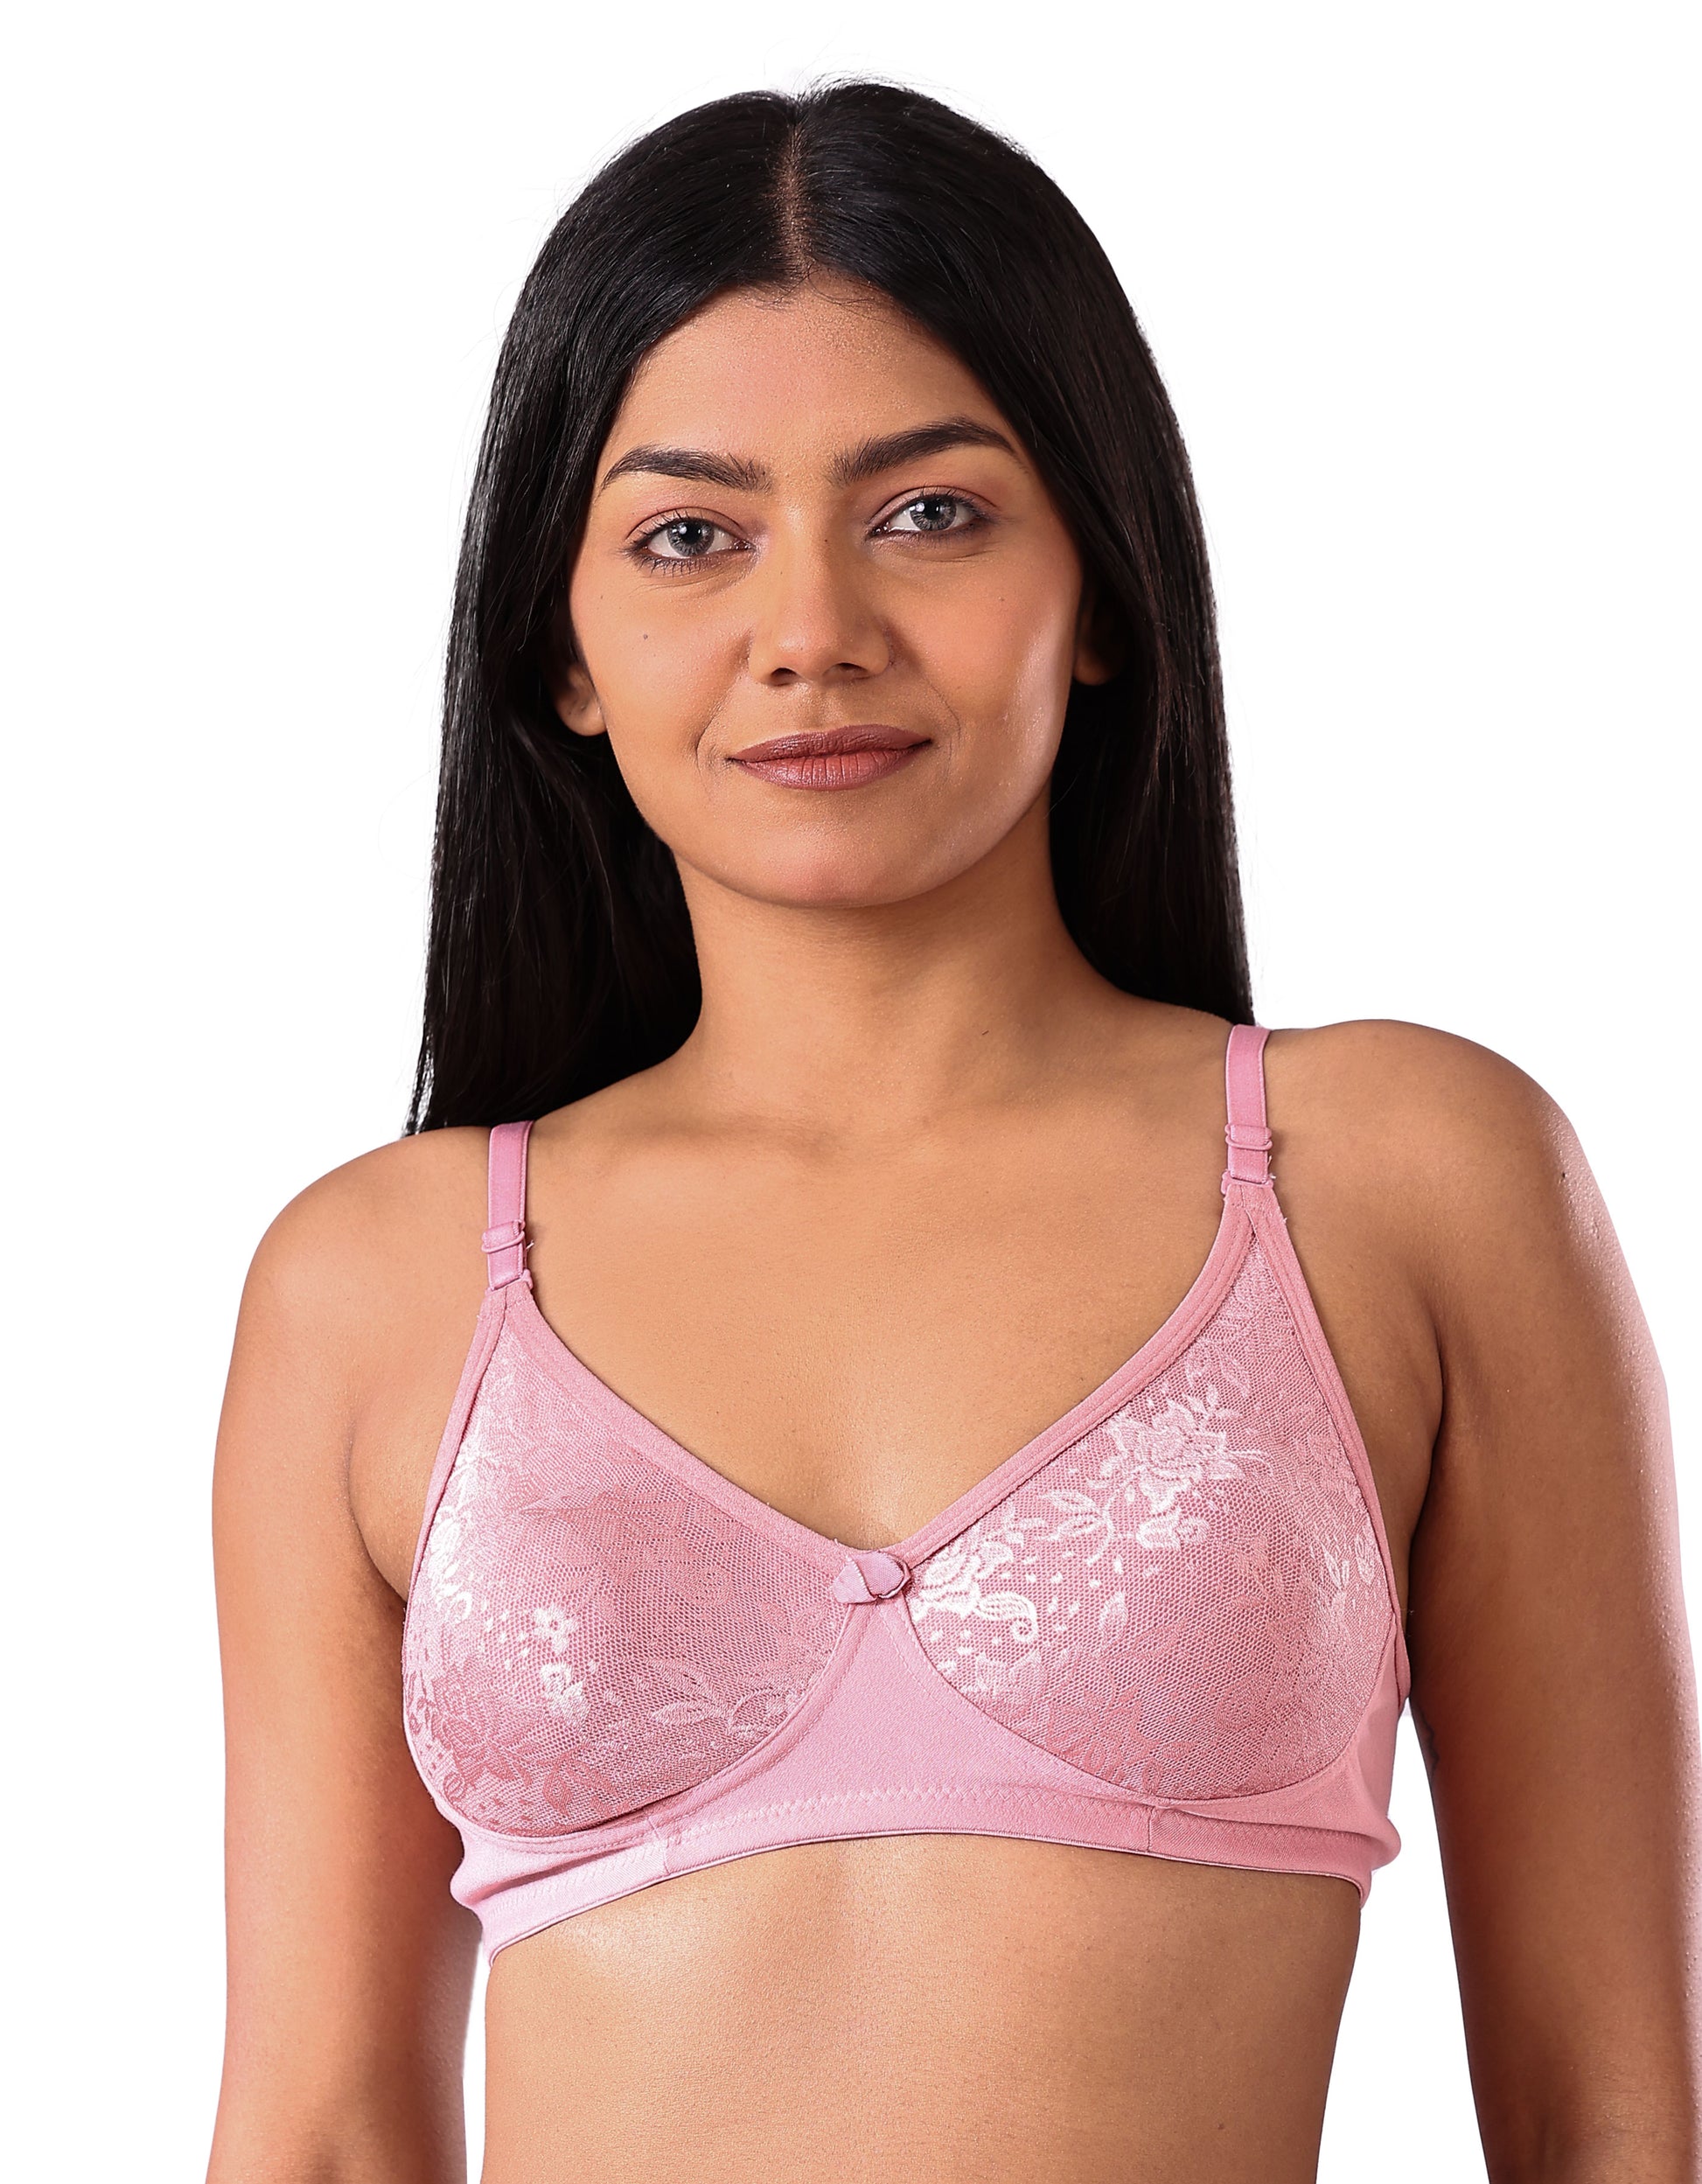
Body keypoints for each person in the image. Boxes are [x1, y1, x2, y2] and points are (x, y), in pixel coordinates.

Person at [206, 79, 1699, 2184]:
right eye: (690, 535)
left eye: (929, 512)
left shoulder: (1405, 1181)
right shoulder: (378, 1284)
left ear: (1104, 589)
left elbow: (1609, 2113)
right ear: (561, 646)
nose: (812, 630)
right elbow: (322, 2133)